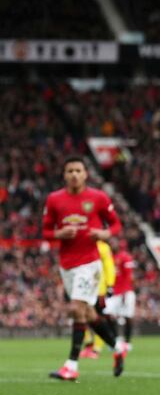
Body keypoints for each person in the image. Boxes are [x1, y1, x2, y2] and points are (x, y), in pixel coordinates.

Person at [43, 157, 126, 381]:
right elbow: (46, 231)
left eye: (78, 170)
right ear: (64, 174)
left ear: (85, 174)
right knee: (88, 313)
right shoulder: (54, 199)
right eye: (70, 171)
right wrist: (59, 234)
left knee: (76, 308)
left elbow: (116, 224)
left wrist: (105, 234)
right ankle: (118, 347)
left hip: (90, 263)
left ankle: (71, 365)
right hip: (67, 265)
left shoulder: (98, 198)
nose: (74, 175)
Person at [79, 240, 116, 359]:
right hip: (85, 287)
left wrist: (110, 284)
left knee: (97, 318)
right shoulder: (84, 244)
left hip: (98, 289)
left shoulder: (103, 247)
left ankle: (96, 349)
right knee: (82, 316)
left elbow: (109, 266)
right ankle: (89, 344)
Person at [104, 239, 136, 351]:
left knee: (128, 316)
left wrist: (125, 293)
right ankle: (116, 340)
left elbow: (129, 277)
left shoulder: (125, 257)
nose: (112, 244)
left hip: (125, 292)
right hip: (114, 292)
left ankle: (127, 342)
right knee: (106, 313)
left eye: (114, 243)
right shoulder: (110, 257)